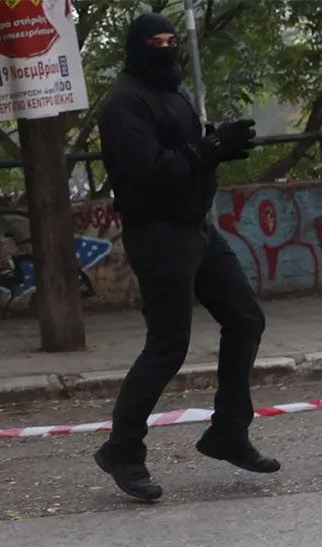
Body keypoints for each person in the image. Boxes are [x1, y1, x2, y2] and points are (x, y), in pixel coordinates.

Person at [93, 12, 273, 502]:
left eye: (172, 40)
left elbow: (188, 147)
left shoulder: (174, 90)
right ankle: (122, 450)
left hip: (197, 228)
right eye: (156, 41)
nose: (167, 48)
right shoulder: (124, 103)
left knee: (245, 319)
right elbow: (149, 171)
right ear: (136, 48)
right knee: (168, 345)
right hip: (158, 235)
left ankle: (228, 432)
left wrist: (220, 145)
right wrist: (210, 148)